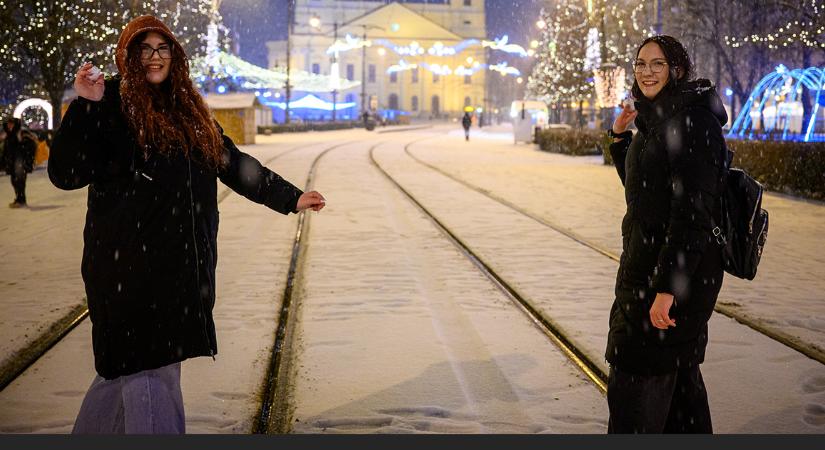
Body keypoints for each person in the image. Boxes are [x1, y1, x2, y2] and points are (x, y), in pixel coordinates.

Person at [49, 15, 326, 434]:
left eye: (163, 48)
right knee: (150, 373)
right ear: (128, 57)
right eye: (145, 49)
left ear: (175, 56)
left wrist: (289, 197)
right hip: (129, 273)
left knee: (123, 374)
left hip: (180, 274)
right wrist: (84, 106)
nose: (155, 57)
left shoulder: (188, 112)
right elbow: (66, 173)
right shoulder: (110, 106)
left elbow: (233, 164)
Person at [604, 35, 729, 433]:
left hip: (665, 281)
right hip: (649, 274)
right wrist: (622, 142)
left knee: (636, 395)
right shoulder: (657, 119)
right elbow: (647, 196)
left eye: (657, 64)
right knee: (679, 400)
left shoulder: (691, 123)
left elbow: (691, 214)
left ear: (677, 69)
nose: (646, 71)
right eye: (640, 63)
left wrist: (666, 288)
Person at [3, 117, 37, 208]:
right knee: (14, 181)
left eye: (11, 123)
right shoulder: (9, 134)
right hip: (12, 162)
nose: (9, 125)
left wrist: (26, 157)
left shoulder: (21, 133)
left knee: (20, 181)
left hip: (20, 162)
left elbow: (31, 145)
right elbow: (6, 149)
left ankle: (21, 200)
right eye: (8, 124)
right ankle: (19, 199)